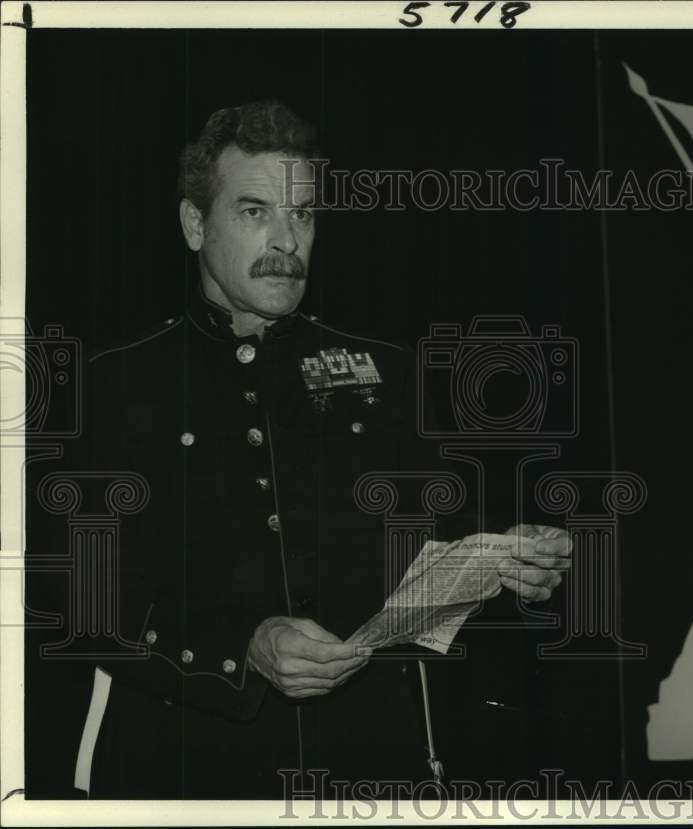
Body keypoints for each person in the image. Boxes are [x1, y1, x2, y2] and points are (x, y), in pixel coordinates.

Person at [39, 100, 571, 799]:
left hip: (372, 769)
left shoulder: (390, 373)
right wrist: (239, 651)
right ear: (195, 224)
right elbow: (69, 593)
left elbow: (434, 567)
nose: (287, 241)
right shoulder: (110, 386)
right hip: (182, 774)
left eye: (304, 215)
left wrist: (507, 565)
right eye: (256, 212)